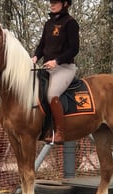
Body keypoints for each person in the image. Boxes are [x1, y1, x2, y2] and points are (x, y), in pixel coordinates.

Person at [32, 0, 79, 144]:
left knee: (52, 94)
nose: (51, 4)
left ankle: (60, 133)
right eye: (50, 2)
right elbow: (42, 46)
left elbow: (74, 49)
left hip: (64, 68)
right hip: (47, 68)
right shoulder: (48, 24)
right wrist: (35, 57)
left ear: (65, 3)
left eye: (55, 2)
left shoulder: (71, 23)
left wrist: (56, 61)